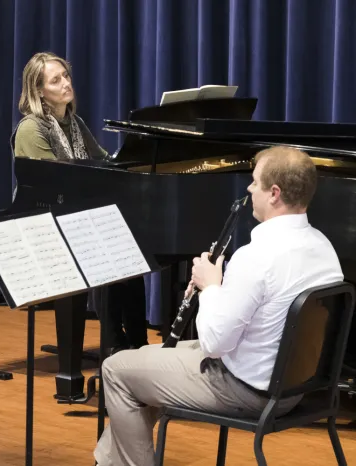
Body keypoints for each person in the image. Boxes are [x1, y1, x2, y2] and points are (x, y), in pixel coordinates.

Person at [94, 146, 344, 466]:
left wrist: (210, 286)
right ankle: (105, 462)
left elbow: (214, 344)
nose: (250, 189)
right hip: (295, 386)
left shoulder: (256, 256)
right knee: (144, 361)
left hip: (248, 390)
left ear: (274, 194)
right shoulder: (324, 249)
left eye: (255, 182)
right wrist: (223, 290)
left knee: (116, 370)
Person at [12, 51, 148, 351]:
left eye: (66, 76)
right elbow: (49, 185)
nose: (65, 84)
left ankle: (138, 343)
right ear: (38, 91)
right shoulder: (31, 128)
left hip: (73, 215)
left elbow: (103, 164)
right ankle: (114, 343)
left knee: (129, 252)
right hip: (40, 223)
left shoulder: (75, 124)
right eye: (55, 80)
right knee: (105, 251)